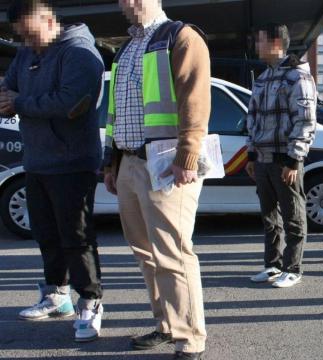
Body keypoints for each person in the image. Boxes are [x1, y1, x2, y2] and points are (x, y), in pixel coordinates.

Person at [102, 1, 211, 358]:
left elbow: (194, 100)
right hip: (130, 163)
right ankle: (167, 323)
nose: (128, 2)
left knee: (173, 253)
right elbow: (115, 112)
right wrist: (111, 163)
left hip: (166, 163)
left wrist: (188, 155)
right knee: (145, 253)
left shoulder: (180, 37)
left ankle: (190, 339)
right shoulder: (126, 48)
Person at [0, 0, 104, 343]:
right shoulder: (27, 53)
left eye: (30, 34)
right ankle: (57, 296)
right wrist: (14, 98)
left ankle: (90, 301)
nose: (27, 43)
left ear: (48, 20)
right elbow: (7, 88)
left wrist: (21, 102)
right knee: (45, 233)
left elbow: (71, 103)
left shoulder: (79, 53)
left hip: (73, 162)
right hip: (37, 160)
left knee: (76, 236)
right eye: (21, 37)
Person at [245, 24, 317, 288]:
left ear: (276, 43)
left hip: (284, 160)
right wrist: (251, 154)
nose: (256, 46)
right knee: (269, 217)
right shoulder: (263, 78)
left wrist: (294, 160)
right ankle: (272, 265)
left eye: (260, 40)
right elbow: (252, 118)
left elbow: (305, 121)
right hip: (263, 160)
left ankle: (293, 267)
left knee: (293, 215)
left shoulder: (297, 76)